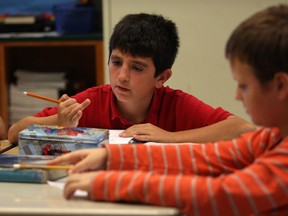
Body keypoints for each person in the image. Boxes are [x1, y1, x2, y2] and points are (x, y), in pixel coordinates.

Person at [49, 4, 288, 215]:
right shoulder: (273, 136)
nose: (237, 95)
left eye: (244, 86)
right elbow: (205, 157)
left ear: (280, 85)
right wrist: (110, 157)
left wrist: (107, 183)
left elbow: (219, 195)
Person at [8, 13, 254, 144]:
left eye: (137, 68)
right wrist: (59, 123)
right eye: (116, 63)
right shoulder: (90, 102)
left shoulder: (175, 103)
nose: (122, 76)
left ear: (162, 77)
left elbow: (244, 129)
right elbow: (13, 133)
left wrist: (170, 137)